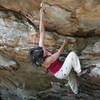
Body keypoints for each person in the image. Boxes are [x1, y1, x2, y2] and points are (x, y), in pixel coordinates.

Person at [29, 3, 89, 94]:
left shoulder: (40, 49)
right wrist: (64, 44)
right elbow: (58, 54)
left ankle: (76, 92)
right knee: (72, 55)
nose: (44, 48)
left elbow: (41, 31)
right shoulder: (46, 61)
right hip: (61, 72)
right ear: (42, 56)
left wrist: (41, 15)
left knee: (71, 74)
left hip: (61, 67)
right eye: (43, 51)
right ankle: (79, 72)